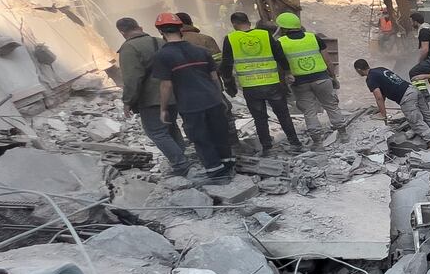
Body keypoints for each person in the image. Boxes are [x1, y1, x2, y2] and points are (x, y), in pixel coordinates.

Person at [151, 12, 234, 184]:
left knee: (200, 137)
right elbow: (213, 77)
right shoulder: (201, 51)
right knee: (220, 132)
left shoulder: (162, 56)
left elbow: (166, 85)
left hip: (190, 104)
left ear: (160, 31)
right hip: (212, 99)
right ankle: (228, 164)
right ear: (180, 28)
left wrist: (163, 109)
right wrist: (220, 98)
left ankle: (216, 172)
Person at [219, 11, 302, 154]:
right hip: (272, 83)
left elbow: (226, 64)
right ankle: (295, 143)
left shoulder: (230, 39)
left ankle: (267, 148)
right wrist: (288, 72)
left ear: (234, 24)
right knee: (283, 115)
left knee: (260, 118)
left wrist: (228, 83)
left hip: (251, 86)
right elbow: (279, 55)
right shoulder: (264, 35)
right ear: (249, 22)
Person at [115, 17, 188, 174]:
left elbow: (132, 78)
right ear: (140, 26)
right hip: (173, 94)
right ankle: (182, 157)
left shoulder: (129, 48)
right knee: (171, 127)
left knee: (157, 132)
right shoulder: (160, 42)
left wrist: (128, 101)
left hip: (151, 99)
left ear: (121, 32)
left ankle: (180, 164)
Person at [274, 12, 340, 138]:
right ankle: (343, 135)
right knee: (331, 106)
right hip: (322, 79)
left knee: (309, 111)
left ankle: (317, 142)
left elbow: (280, 66)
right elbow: (327, 60)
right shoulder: (314, 38)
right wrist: (333, 77)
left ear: (282, 28)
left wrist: (283, 84)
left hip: (300, 83)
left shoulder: (280, 43)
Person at [354, 59, 430, 145]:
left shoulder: (370, 78)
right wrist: (381, 109)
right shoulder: (380, 69)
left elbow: (378, 97)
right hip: (412, 89)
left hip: (406, 97)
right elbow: (383, 94)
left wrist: (383, 116)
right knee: (427, 114)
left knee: (415, 120)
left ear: (359, 69)